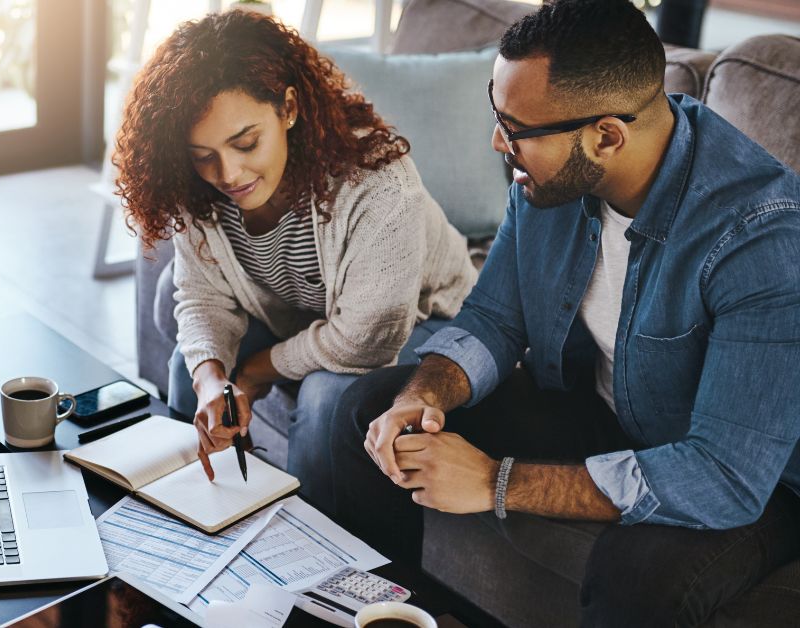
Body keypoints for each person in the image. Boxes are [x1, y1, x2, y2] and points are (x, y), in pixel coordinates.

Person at [330, 0, 800, 625]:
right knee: (374, 411)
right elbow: (494, 320)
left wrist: (497, 481)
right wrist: (425, 395)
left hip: (749, 477)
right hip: (601, 412)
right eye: (497, 113)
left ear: (607, 135)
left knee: (636, 577)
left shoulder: (761, 240)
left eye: (516, 129)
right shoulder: (549, 180)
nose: (498, 142)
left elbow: (722, 475)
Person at [111, 10, 477, 511]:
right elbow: (199, 294)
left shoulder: (378, 184)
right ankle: (193, 518)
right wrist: (212, 379)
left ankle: (325, 565)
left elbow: (363, 338)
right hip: (304, 313)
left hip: (424, 319)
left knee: (327, 400)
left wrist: (256, 373)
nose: (228, 172)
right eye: (204, 154)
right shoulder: (199, 185)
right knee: (187, 367)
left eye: (246, 143)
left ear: (287, 108)